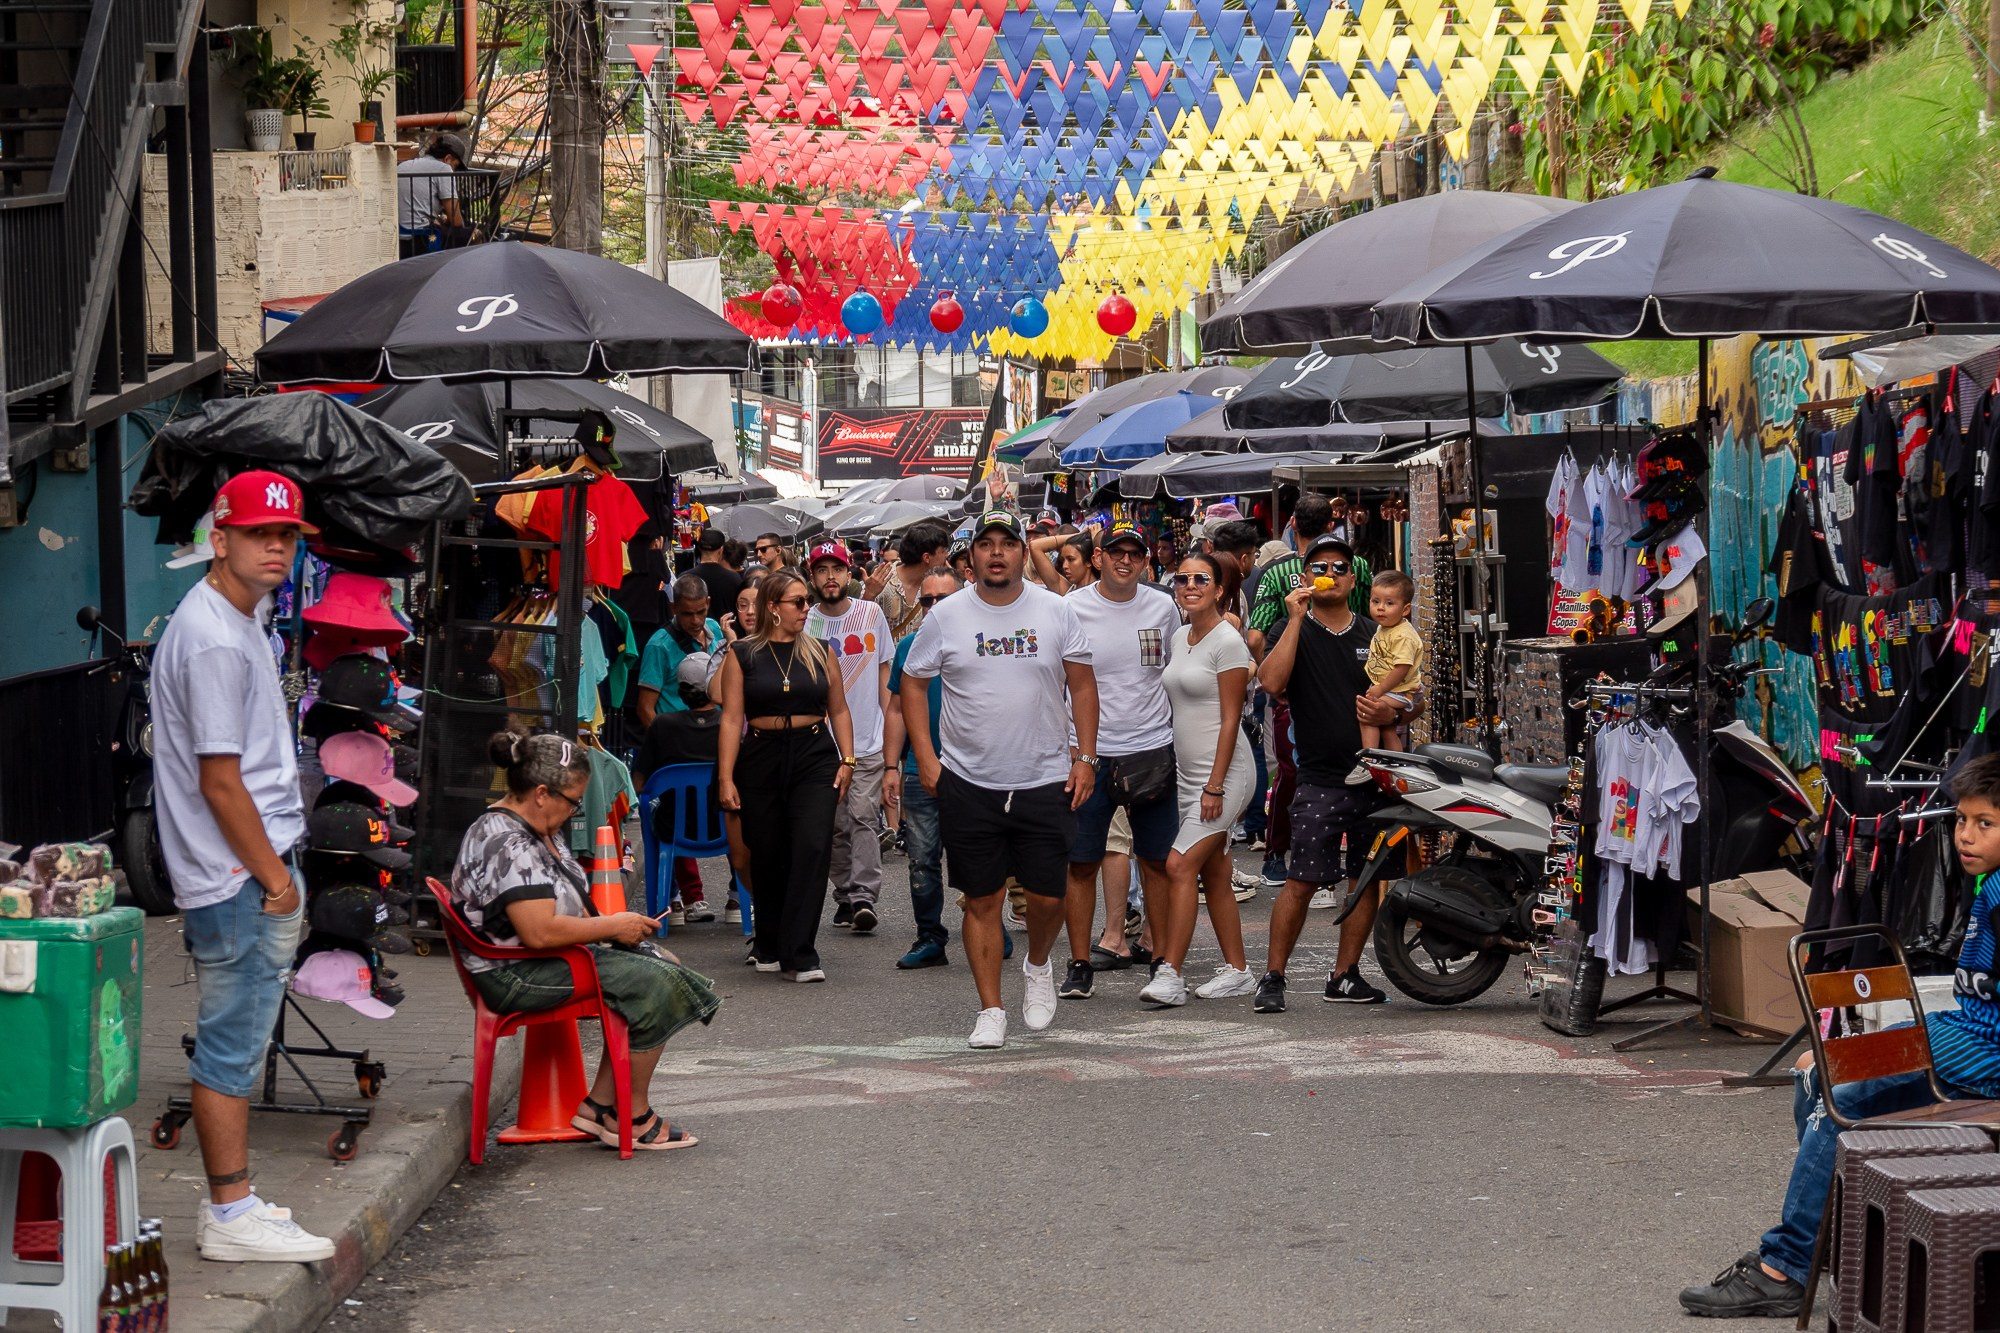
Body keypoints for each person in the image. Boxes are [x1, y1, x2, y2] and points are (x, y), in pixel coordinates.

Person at [1676, 753, 2000, 1317]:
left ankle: (1785, 1267)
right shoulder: (1988, 884)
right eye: (1961, 821)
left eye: (1985, 824)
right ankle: (1841, 1242)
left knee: (1834, 1100)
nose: (1965, 836)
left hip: (1983, 1057)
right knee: (1816, 1078)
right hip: (1961, 1038)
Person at [152, 471, 335, 1262]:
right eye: (262, 533)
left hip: (235, 872)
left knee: (238, 1037)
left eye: (288, 534)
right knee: (232, 1044)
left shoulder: (235, 618)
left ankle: (236, 1202)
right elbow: (219, 781)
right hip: (237, 879)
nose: (278, 546)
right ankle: (230, 1212)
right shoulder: (219, 639)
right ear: (218, 539)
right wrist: (277, 880)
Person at [452, 732, 719, 1150]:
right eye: (573, 800)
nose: (575, 810)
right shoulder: (509, 843)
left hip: (535, 958)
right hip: (514, 974)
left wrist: (618, 928)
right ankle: (629, 1115)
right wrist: (613, 927)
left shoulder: (535, 826)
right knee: (655, 983)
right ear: (541, 793)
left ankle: (599, 1107)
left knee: (664, 961)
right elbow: (539, 932)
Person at [900, 511, 1099, 1049]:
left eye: (1006, 544)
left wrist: (1087, 758)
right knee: (981, 898)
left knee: (1048, 895)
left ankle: (1038, 965)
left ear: (1020, 553)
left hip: (1046, 777)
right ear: (971, 557)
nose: (996, 553)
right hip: (969, 780)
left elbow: (1082, 686)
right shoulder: (947, 616)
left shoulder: (1056, 610)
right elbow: (912, 684)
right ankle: (991, 1008)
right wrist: (928, 758)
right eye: (985, 544)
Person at [1251, 535, 1409, 1013]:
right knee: (1302, 879)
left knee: (1365, 878)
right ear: (1304, 576)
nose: (1331, 574)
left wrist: (1395, 715)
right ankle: (1273, 976)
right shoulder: (1288, 627)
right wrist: (1297, 617)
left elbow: (1415, 694)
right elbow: (1272, 683)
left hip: (1378, 777)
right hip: (1319, 778)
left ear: (1354, 578)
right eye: (1320, 566)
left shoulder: (1377, 633)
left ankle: (1344, 975)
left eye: (1340, 567)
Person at [1055, 522, 1182, 1004]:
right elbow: (1058, 682)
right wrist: (1068, 747)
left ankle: (1162, 961)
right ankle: (1080, 963)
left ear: (1145, 561)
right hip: (1089, 755)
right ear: (1098, 559)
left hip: (1151, 749)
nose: (1124, 560)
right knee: (1082, 863)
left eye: (1134, 553)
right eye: (1115, 552)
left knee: (1156, 862)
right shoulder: (1071, 608)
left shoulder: (1163, 606)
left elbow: (1173, 670)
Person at [716, 571, 858, 980]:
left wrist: (848, 760)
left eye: (806, 601)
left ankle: (801, 952)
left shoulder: (820, 651)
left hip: (815, 755)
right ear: (773, 609)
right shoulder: (741, 655)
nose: (806, 609)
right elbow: (730, 720)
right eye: (798, 602)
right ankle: (770, 942)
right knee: (769, 851)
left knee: (812, 846)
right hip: (760, 755)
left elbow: (840, 709)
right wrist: (726, 778)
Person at [1155, 553, 1260, 1003]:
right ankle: (1238, 971)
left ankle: (1170, 974)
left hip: (1226, 776)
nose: (1190, 585)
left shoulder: (1228, 641)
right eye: (1183, 579)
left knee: (1178, 865)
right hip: (1187, 776)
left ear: (1219, 589)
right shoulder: (1181, 636)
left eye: (1201, 579)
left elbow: (1231, 720)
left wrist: (1215, 786)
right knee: (1214, 873)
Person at [803, 541, 893, 935]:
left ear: (849, 573)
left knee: (862, 816)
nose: (830, 577)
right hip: (824, 745)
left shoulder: (871, 612)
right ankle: (845, 895)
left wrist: (890, 723)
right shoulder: (807, 624)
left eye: (836, 569)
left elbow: (886, 671)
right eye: (822, 570)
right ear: (813, 578)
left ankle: (863, 897)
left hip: (869, 740)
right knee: (834, 825)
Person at [883, 568, 963, 968]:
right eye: (927, 600)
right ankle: (929, 936)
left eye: (942, 599)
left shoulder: (978, 642)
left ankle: (989, 925)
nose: (933, 607)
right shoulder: (910, 647)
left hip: (973, 770)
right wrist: (890, 768)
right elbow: (896, 710)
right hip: (919, 769)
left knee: (977, 857)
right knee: (922, 860)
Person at [635, 575, 724, 727]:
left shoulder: (715, 628)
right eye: (687, 614)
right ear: (674, 608)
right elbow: (645, 708)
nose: (695, 620)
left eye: (700, 612)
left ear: (708, 603)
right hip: (678, 738)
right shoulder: (659, 646)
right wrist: (667, 744)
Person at [1359, 570, 1423, 754]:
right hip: (1393, 688)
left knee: (1367, 713)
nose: (1380, 608)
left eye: (1389, 603)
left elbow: (1402, 668)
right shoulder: (1386, 627)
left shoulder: (1402, 635)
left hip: (1400, 690)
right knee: (1387, 728)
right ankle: (1396, 762)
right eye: (1375, 601)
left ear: (1405, 609)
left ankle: (1369, 757)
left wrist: (1380, 689)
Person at [877, 521, 952, 638]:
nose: (946, 555)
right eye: (943, 551)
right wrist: (869, 596)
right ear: (927, 557)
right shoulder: (881, 581)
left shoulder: (938, 585)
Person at [396, 132, 472, 243]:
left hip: (399, 235)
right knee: (473, 234)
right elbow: (457, 222)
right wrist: (445, 221)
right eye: (455, 165)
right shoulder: (443, 168)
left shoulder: (404, 165)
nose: (454, 170)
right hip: (423, 237)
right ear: (448, 159)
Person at [693, 528, 745, 623]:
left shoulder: (686, 577)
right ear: (721, 550)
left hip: (695, 632)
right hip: (727, 633)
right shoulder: (734, 578)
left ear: (699, 549)